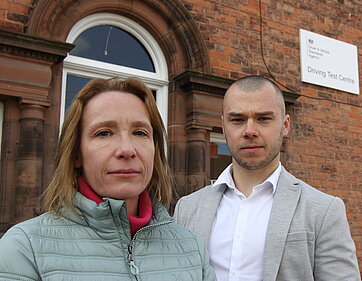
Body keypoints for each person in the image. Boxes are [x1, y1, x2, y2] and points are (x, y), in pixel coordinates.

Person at [0, 77, 216, 281]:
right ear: (76, 153)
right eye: (104, 133)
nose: (127, 149)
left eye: (140, 133)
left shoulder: (192, 248)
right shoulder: (25, 247)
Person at [174, 75, 361, 281]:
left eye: (263, 118)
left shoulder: (323, 211)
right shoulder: (187, 208)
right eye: (237, 119)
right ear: (224, 125)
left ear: (285, 125)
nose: (250, 131)